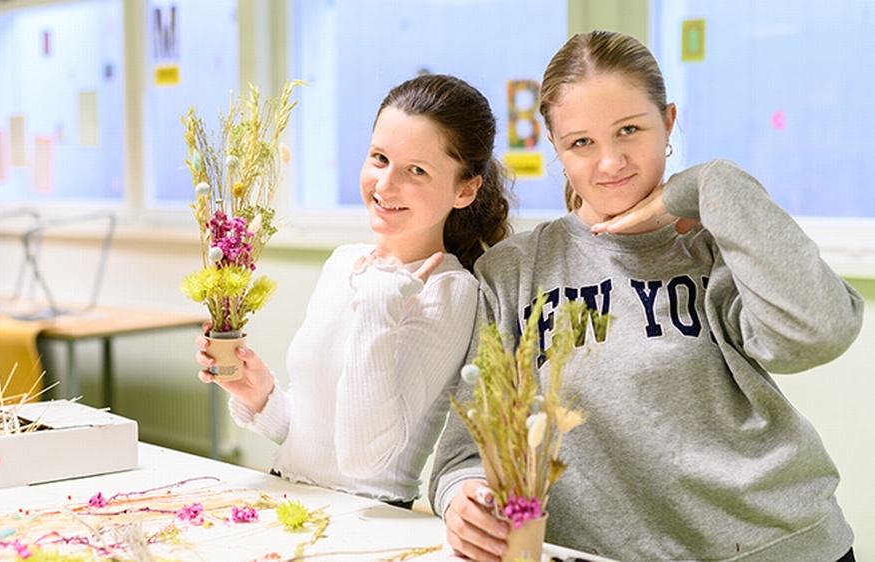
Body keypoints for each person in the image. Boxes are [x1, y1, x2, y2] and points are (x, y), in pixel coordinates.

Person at [429, 30, 863, 562]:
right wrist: (462, 499)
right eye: (581, 142)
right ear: (557, 150)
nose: (610, 163)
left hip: (777, 547)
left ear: (669, 123)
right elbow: (464, 451)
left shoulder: (710, 245)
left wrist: (709, 185)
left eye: (629, 130)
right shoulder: (515, 273)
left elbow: (820, 332)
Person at [195, 74, 514, 508]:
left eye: (416, 171)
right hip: (287, 495)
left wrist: (382, 300)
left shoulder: (451, 291)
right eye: (379, 158)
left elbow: (364, 458)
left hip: (371, 518)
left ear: (465, 189)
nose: (384, 186)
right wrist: (261, 394)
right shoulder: (343, 262)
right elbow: (315, 438)